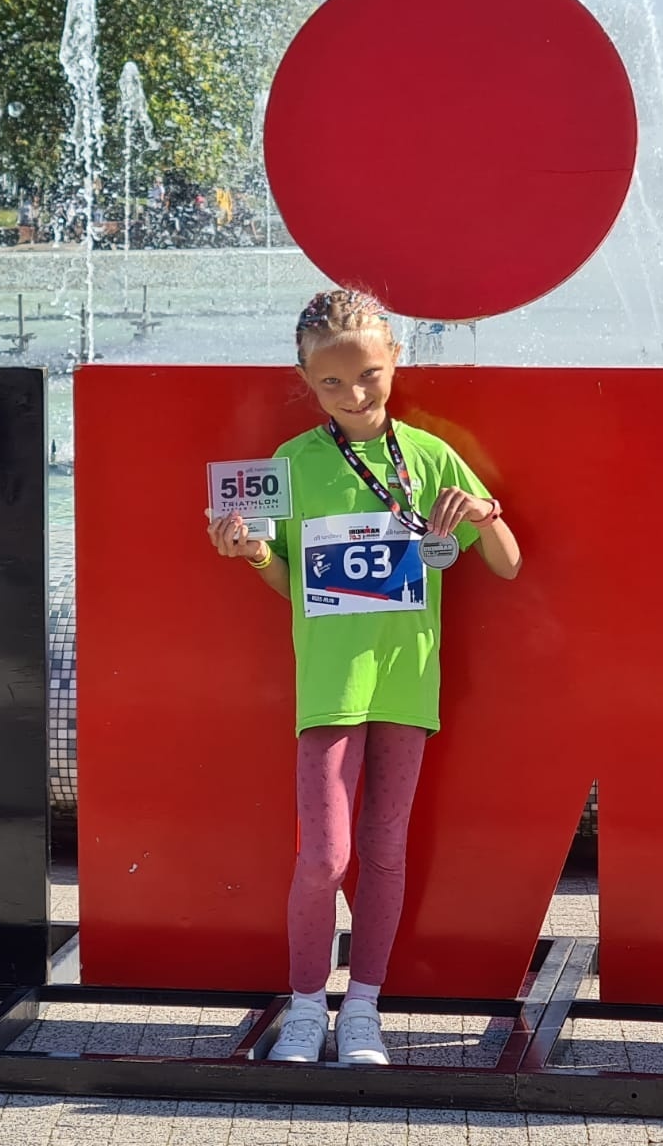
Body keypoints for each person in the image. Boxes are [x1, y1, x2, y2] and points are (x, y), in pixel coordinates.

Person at [205, 289, 522, 1066]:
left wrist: (484, 513)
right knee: (325, 858)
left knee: (383, 852)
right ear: (306, 380)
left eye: (370, 376)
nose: (354, 395)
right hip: (330, 686)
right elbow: (294, 581)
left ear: (396, 360)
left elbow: (508, 566)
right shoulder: (294, 462)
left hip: (407, 685)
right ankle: (308, 1007)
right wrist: (248, 554)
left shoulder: (430, 456)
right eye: (333, 385)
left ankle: (364, 1013)